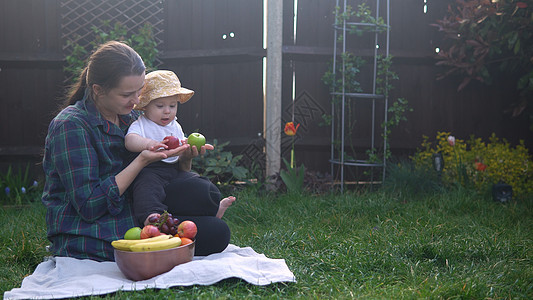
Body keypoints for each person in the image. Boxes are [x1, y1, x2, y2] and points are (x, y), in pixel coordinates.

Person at [41, 41, 231, 262]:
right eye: (127, 94)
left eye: (140, 91)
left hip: (139, 204)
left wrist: (184, 158)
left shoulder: (130, 117)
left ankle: (169, 225)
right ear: (98, 90)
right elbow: (90, 206)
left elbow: (162, 174)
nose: (137, 100)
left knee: (204, 193)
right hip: (93, 225)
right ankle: (158, 234)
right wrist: (140, 161)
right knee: (217, 233)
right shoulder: (71, 125)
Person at [124, 70, 236, 228]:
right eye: (160, 106)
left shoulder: (174, 125)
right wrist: (148, 143)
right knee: (146, 188)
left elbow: (181, 142)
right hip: (150, 169)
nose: (167, 111)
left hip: (174, 169)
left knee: (197, 181)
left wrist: (189, 147)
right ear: (145, 106)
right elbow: (130, 141)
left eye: (172, 105)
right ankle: (152, 216)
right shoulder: (141, 124)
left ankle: (214, 208)